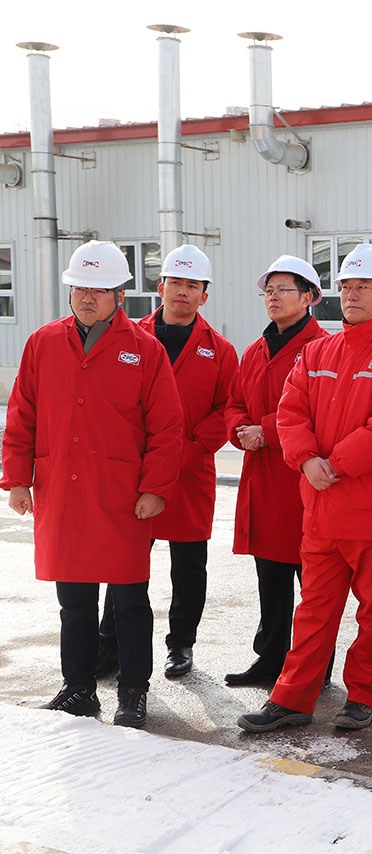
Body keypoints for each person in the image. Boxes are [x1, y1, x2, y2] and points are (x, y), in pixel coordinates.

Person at [238, 243, 372, 733]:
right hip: (322, 508)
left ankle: (364, 697)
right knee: (313, 612)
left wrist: (335, 464)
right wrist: (305, 459)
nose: (352, 295)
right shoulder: (318, 352)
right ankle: (292, 698)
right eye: (346, 286)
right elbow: (291, 410)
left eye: (364, 286)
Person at [1, 240, 183, 728]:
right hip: (62, 489)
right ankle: (78, 688)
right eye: (80, 287)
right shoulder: (43, 342)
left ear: (120, 294)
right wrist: (17, 479)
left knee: (129, 601)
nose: (87, 297)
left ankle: (133, 691)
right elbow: (22, 415)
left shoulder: (145, 350)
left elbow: (167, 428)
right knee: (74, 601)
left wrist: (154, 488)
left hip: (121, 495)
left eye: (99, 290)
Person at [92, 245, 238, 680]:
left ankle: (181, 644)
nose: (182, 291)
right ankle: (109, 644)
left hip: (190, 474)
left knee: (189, 565)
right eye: (175, 282)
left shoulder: (220, 350)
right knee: (124, 561)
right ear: (160, 287)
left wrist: (187, 450)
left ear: (204, 295)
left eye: (192, 285)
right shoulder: (127, 337)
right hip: (134, 473)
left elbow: (227, 408)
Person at [223, 255, 328, 686]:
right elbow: (234, 402)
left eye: (284, 290)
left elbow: (320, 413)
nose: (273, 297)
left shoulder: (322, 349)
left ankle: (314, 666)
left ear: (308, 298)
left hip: (303, 479)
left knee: (314, 585)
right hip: (263, 478)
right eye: (268, 290)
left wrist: (266, 431)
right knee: (270, 577)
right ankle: (270, 659)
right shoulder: (254, 350)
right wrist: (240, 431)